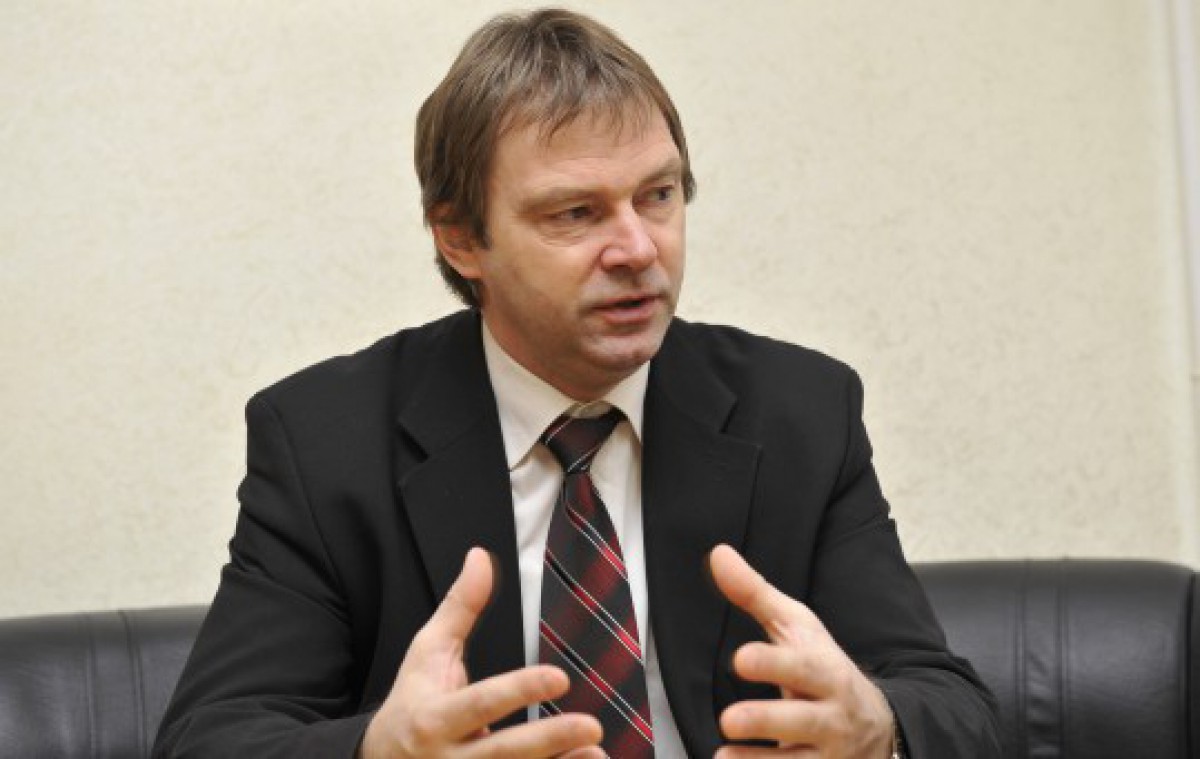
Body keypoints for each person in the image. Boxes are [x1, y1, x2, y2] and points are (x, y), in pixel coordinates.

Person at [154, 8, 1001, 758]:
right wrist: (379, 752)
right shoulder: (326, 442)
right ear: (460, 239)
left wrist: (879, 729)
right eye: (575, 213)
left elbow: (955, 708)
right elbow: (210, 737)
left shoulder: (799, 414)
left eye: (658, 195)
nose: (638, 248)